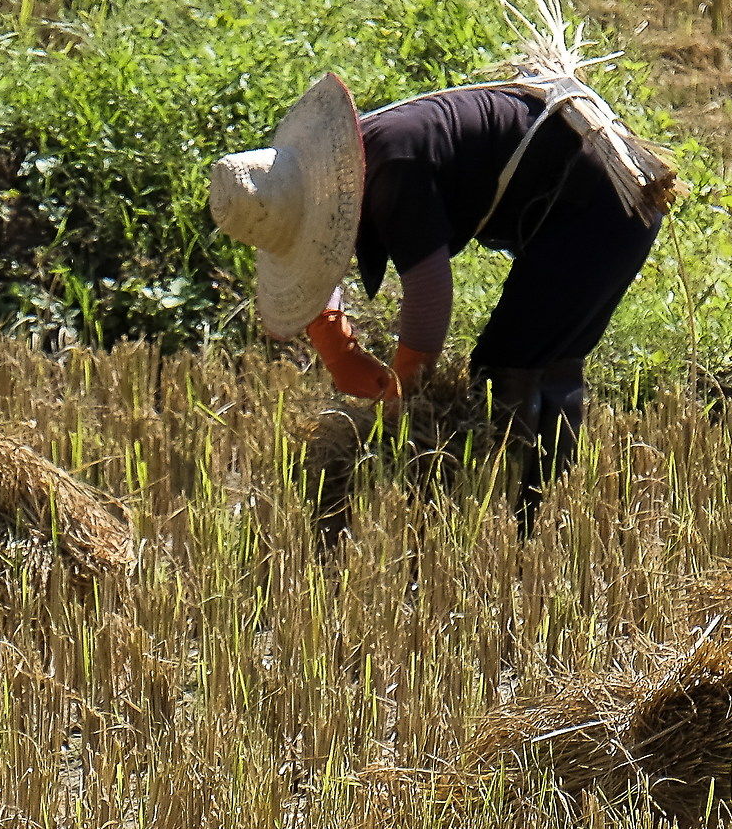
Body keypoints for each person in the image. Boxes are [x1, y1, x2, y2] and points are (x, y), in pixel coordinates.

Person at [210, 71, 673, 520]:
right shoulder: (345, 166)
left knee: (516, 364)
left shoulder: (394, 173)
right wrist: (337, 345)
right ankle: (523, 518)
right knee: (539, 357)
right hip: (584, 200)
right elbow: (319, 252)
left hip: (605, 204)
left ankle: (526, 523)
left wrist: (405, 394)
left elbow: (430, 294)